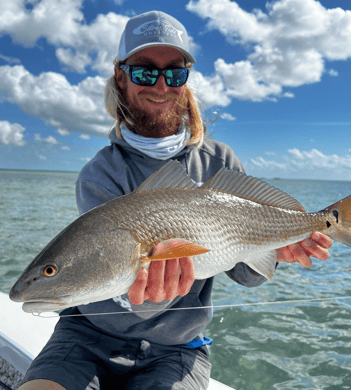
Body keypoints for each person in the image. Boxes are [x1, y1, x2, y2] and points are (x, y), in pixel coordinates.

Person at [19, 11, 332, 390]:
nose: (162, 85)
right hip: (86, 338)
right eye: (145, 71)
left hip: (177, 350)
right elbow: (118, 279)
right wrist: (150, 296)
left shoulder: (221, 162)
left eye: (175, 72)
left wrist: (276, 246)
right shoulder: (100, 173)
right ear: (121, 76)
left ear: (186, 80)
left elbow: (246, 275)